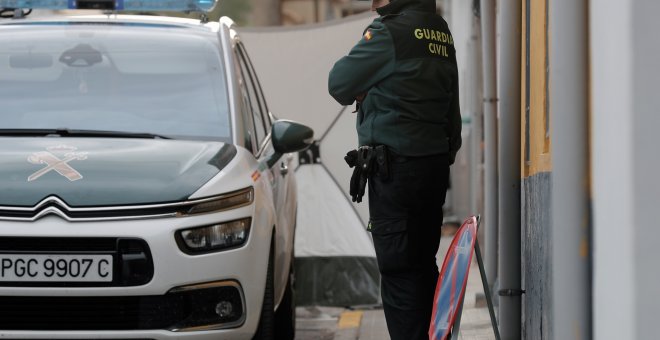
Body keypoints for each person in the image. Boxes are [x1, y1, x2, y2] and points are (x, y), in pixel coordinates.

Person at [327, 0, 462, 339]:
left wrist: (368, 88)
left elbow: (339, 83)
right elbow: (452, 116)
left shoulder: (388, 33)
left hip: (396, 170)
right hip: (432, 169)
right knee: (422, 266)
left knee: (400, 273)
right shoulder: (439, 31)